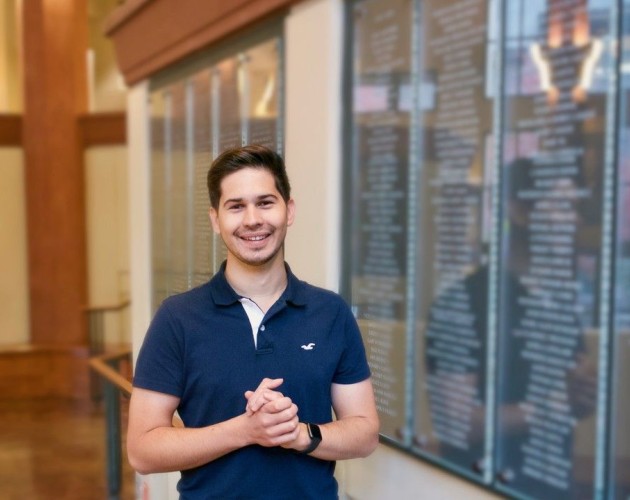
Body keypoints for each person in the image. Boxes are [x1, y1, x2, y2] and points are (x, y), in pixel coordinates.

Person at [127, 144, 380, 499]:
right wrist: (246, 430)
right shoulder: (178, 318)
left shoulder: (330, 312)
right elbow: (142, 450)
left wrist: (298, 435)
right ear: (216, 220)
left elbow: (365, 433)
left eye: (265, 202)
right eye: (236, 206)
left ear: (288, 210)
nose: (252, 220)